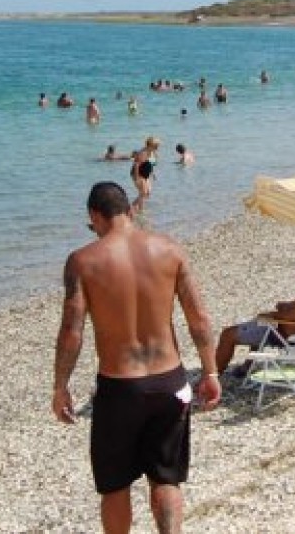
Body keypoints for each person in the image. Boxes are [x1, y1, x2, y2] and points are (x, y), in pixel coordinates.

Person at [52, 182, 221, 534]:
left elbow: (72, 332)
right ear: (130, 210)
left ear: (95, 216)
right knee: (167, 477)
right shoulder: (170, 250)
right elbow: (198, 317)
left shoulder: (83, 261)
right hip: (170, 381)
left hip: (119, 388)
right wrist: (211, 371)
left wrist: (60, 386)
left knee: (115, 485)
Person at [213, 250, 295, 374]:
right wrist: (288, 305)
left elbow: (291, 316)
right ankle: (247, 366)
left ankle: (214, 375)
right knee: (259, 322)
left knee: (228, 334)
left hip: (283, 333)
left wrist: (272, 316)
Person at [130, 137, 160, 213]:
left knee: (147, 193)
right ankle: (139, 210)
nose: (157, 147)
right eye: (156, 145)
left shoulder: (152, 152)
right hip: (138, 174)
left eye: (158, 145)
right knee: (143, 193)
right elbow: (137, 165)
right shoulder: (143, 153)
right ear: (150, 145)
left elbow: (151, 164)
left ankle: (133, 207)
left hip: (145, 174)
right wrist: (137, 178)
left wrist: (153, 174)